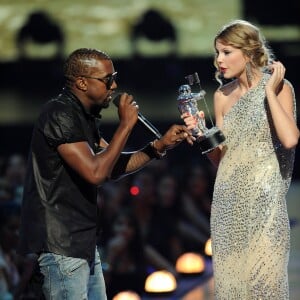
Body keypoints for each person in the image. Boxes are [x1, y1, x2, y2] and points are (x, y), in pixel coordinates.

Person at [17, 47, 193, 300]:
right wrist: (125, 126)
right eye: (107, 79)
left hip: (81, 242)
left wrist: (157, 147)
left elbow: (111, 167)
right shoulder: (59, 114)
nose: (114, 85)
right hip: (61, 246)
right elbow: (96, 173)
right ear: (81, 82)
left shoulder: (83, 117)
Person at [182, 20, 299, 299]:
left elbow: (291, 139)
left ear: (248, 52)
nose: (219, 60)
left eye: (226, 52)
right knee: (233, 290)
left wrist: (269, 91)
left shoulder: (281, 87)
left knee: (266, 288)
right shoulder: (221, 96)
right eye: (217, 53)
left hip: (266, 206)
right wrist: (201, 135)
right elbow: (222, 160)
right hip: (227, 205)